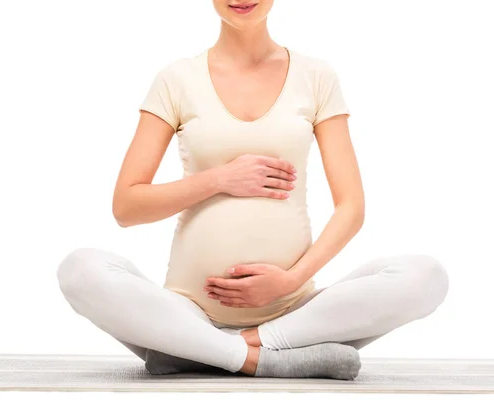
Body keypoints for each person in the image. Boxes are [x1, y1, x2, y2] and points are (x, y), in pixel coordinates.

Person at [56, 0, 449, 379]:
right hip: (188, 312)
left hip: (298, 315)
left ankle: (212, 351)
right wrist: (219, 178)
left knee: (426, 276)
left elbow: (351, 207)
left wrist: (291, 281)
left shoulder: (316, 76)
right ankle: (264, 360)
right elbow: (127, 206)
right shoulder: (176, 79)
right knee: (80, 269)